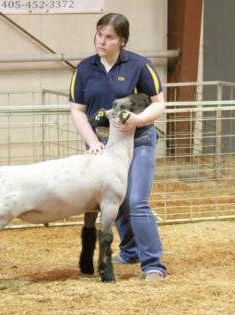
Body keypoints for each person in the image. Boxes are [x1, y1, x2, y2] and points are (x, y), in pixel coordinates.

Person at [68, 12, 168, 280]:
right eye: (99, 34)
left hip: (140, 140)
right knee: (115, 201)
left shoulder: (139, 66)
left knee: (136, 201)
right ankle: (129, 251)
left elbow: (159, 103)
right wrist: (92, 142)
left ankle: (153, 264)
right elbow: (78, 110)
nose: (101, 41)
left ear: (122, 41)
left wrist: (138, 120)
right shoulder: (85, 68)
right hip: (103, 143)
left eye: (109, 37)